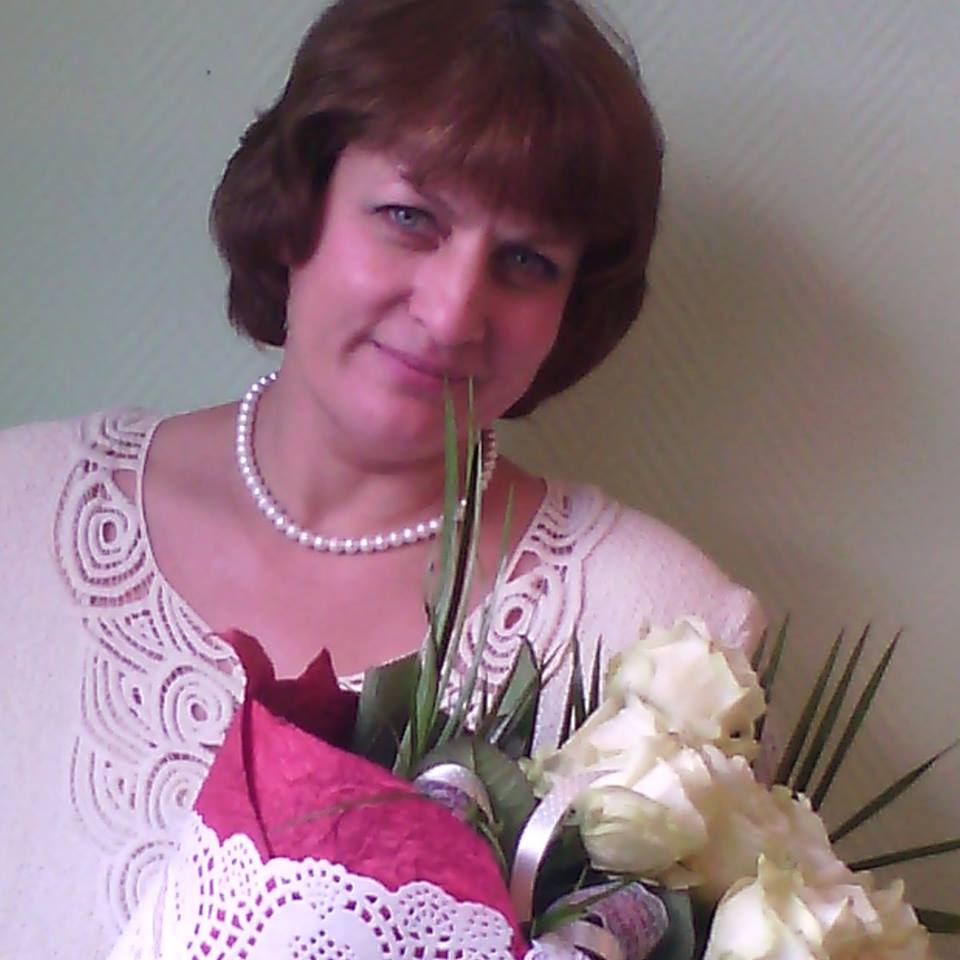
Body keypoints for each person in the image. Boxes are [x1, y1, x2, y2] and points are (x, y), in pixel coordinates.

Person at [0, 0, 765, 956]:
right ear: (297, 204)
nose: (451, 312)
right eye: (410, 218)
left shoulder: (663, 638)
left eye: (526, 261)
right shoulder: (17, 511)